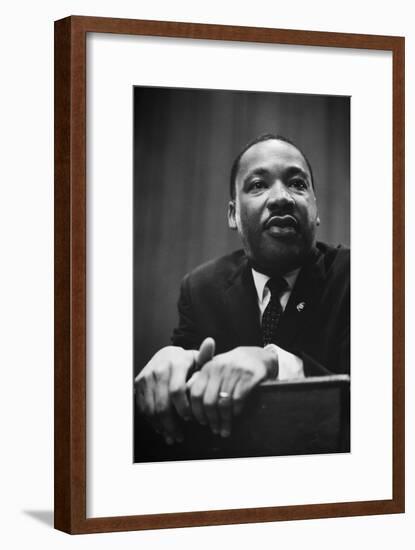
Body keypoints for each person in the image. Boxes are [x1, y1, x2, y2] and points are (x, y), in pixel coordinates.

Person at [135, 133, 350, 446]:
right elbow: (187, 384)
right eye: (259, 184)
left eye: (297, 184)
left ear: (317, 211)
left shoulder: (358, 276)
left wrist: (274, 363)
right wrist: (173, 363)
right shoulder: (201, 289)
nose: (281, 197)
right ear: (233, 214)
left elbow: (383, 402)